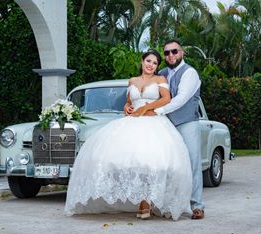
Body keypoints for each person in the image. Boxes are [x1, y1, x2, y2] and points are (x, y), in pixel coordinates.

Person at [64, 49, 192, 221]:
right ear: (142, 61)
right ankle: (139, 198)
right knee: (127, 163)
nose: (151, 65)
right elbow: (129, 101)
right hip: (131, 122)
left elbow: (166, 99)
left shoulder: (160, 79)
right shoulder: (132, 80)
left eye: (155, 63)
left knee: (152, 162)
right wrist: (127, 107)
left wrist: (146, 107)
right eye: (148, 61)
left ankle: (146, 202)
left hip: (153, 122)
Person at [127, 40, 205, 220]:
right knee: (166, 164)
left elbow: (180, 99)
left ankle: (197, 206)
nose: (171, 55)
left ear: (182, 52)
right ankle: (167, 203)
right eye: (167, 53)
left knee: (191, 163)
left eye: (174, 51)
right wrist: (129, 106)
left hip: (186, 122)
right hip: (164, 125)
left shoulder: (190, 73)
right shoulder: (161, 74)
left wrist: (153, 110)